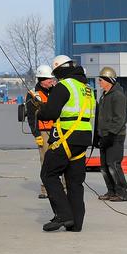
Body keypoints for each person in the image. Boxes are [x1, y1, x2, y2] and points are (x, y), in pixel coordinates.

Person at [38, 54, 95, 232]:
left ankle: (63, 215)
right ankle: (75, 223)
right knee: (74, 182)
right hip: (83, 139)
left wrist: (40, 111)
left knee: (48, 174)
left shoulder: (64, 86)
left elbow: (50, 113)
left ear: (59, 70)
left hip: (66, 137)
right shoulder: (87, 89)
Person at [24, 64, 58, 199]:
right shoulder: (33, 94)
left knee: (61, 160)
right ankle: (46, 189)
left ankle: (63, 188)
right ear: (42, 80)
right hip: (43, 132)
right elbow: (31, 117)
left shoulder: (56, 91)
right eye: (49, 79)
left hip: (58, 130)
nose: (51, 81)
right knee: (46, 161)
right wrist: (36, 134)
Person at [95, 66, 127, 203]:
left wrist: (110, 135)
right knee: (104, 167)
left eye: (101, 80)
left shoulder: (118, 96)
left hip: (115, 136)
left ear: (109, 80)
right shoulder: (104, 95)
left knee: (113, 164)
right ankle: (111, 191)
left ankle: (121, 193)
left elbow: (120, 119)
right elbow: (101, 117)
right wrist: (98, 135)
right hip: (104, 136)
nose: (99, 82)